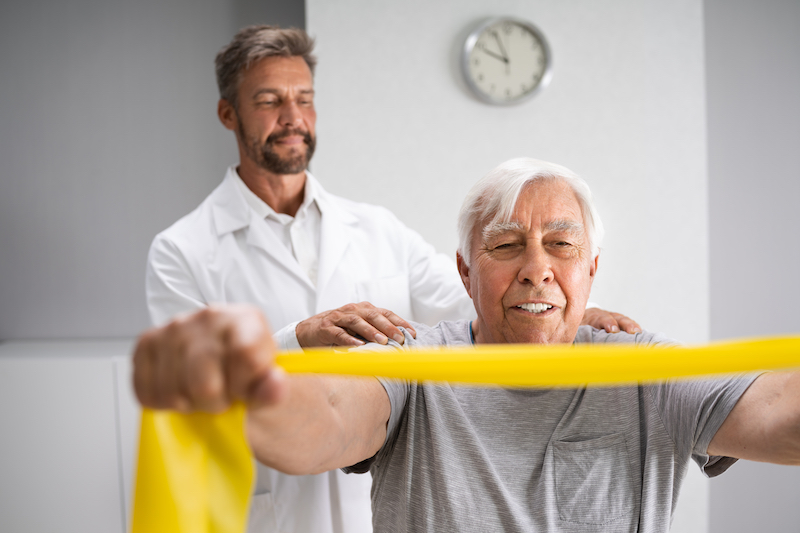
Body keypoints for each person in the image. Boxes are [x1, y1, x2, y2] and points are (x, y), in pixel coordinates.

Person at [145, 25, 640, 533]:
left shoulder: (376, 228)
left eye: (304, 99)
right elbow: (185, 386)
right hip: (267, 512)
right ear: (229, 113)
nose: (293, 118)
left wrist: (560, 309)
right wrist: (296, 339)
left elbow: (473, 301)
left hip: (373, 504)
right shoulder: (183, 250)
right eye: (270, 100)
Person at [136, 157, 800, 532]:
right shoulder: (412, 359)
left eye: (561, 246)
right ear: (464, 271)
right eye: (507, 245)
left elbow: (779, 416)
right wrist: (250, 380)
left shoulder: (651, 368)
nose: (536, 267)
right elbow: (326, 422)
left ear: (590, 268)